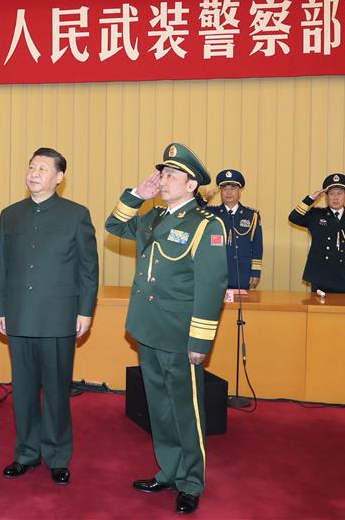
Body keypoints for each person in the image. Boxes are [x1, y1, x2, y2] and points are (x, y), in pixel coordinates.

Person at [105, 142, 228, 515]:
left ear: (192, 185)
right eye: (163, 173)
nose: (163, 179)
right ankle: (168, 470)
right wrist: (136, 195)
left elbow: (211, 286)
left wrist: (200, 340)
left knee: (186, 410)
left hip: (179, 333)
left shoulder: (207, 224)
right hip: (148, 327)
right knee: (158, 406)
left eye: (172, 175)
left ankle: (191, 480)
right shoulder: (155, 217)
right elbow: (113, 225)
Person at [0, 147, 98, 486]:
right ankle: (26, 453)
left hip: (59, 317)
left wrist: (85, 310)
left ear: (59, 177)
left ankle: (56, 455)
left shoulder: (76, 214)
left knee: (55, 391)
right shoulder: (11, 215)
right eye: (31, 166)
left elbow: (88, 268)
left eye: (42, 168)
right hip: (20, 315)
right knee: (22, 390)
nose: (34, 172)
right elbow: (2, 268)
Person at [288, 173, 345, 294]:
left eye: (339, 193)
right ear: (326, 197)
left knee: (342, 311)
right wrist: (310, 199)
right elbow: (293, 217)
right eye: (331, 194)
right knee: (317, 310)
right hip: (320, 275)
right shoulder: (316, 215)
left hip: (343, 276)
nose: (335, 197)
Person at [198, 169, 263, 290]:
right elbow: (191, 213)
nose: (228, 192)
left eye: (232, 188)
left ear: (240, 191)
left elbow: (257, 246)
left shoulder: (251, 215)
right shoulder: (211, 213)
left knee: (240, 307)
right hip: (215, 273)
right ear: (220, 192)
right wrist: (205, 199)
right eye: (224, 188)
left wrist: (255, 271)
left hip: (242, 273)